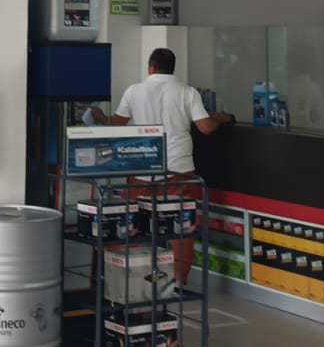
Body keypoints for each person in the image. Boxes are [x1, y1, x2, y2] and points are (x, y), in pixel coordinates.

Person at [91, 48, 233, 286]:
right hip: (179, 170)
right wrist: (221, 117)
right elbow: (206, 127)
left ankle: (126, 280)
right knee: (181, 226)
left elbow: (116, 123)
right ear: (172, 68)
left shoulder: (134, 91)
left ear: (151, 67)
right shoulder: (187, 92)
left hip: (143, 167)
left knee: (131, 221)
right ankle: (178, 281)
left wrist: (100, 117)